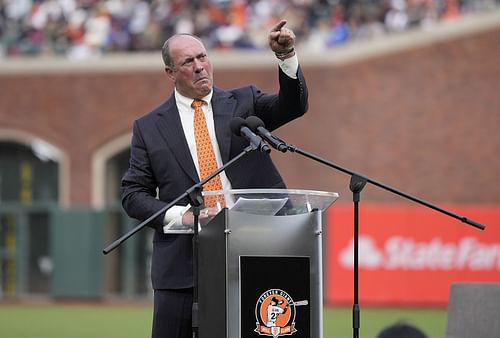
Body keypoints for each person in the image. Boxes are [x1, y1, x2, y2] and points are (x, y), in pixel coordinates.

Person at [121, 19, 308, 338]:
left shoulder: (244, 102)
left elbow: (293, 106)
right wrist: (184, 216)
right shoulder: (149, 127)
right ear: (170, 73)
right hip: (182, 266)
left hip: (255, 252)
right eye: (188, 61)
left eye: (203, 57)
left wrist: (286, 55)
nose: (199, 67)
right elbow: (133, 195)